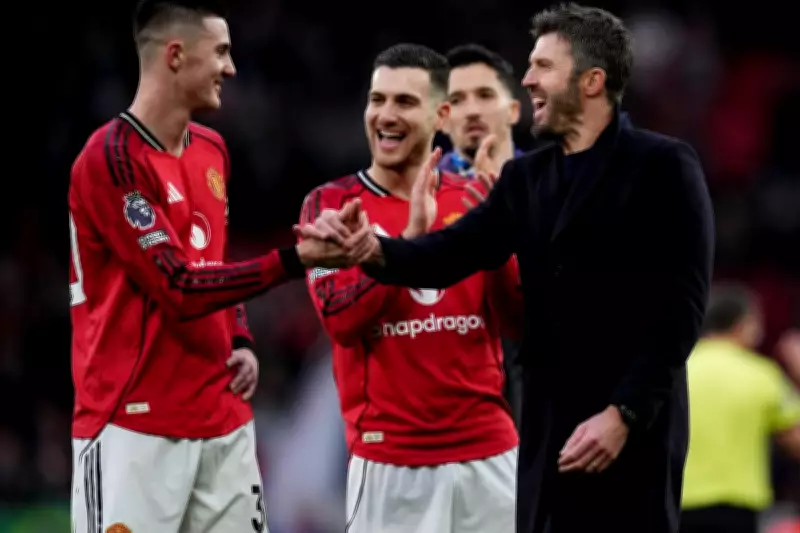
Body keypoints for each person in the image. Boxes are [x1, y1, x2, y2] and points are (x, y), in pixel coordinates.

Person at [297, 4, 715, 533]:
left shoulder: (663, 166)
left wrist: (623, 414)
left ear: (592, 81)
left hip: (633, 433)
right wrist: (372, 251)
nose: (528, 79)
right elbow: (451, 253)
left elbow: (681, 311)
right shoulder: (527, 179)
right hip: (549, 430)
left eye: (543, 66)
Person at [67, 1, 363, 531]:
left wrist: (240, 337)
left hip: (221, 420)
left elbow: (212, 261)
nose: (231, 68)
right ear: (175, 56)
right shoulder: (111, 158)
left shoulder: (212, 150)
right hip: (134, 425)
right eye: (221, 52)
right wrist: (294, 261)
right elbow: (178, 284)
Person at [297, 43, 521, 533]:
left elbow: (519, 324)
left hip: (489, 455)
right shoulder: (333, 205)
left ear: (442, 115)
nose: (385, 115)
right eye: (377, 100)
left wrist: (503, 241)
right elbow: (342, 322)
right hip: (391, 461)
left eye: (404, 102)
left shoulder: (476, 198)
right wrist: (408, 243)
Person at [439, 43, 525, 428]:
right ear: (442, 118)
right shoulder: (419, 199)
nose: (472, 110)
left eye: (485, 95)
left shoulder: (554, 187)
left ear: (514, 110)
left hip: (537, 374)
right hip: (451, 384)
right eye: (457, 100)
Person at [681, 284, 800, 533]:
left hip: (678, 501)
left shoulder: (680, 371)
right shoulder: (763, 375)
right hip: (736, 508)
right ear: (744, 324)